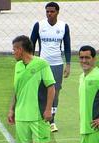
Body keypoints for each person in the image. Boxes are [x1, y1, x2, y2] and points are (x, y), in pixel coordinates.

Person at [8, 35, 55, 143]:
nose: (13, 52)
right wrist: (11, 109)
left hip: (38, 115)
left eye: (14, 49)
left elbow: (51, 87)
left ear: (21, 50)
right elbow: (17, 89)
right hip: (21, 115)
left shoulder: (42, 64)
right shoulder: (18, 66)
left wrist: (48, 109)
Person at [30, 1, 71, 132]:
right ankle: (43, 118)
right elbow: (32, 44)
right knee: (41, 92)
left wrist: (68, 64)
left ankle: (52, 120)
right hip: (42, 64)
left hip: (57, 64)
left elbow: (67, 46)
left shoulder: (64, 26)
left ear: (57, 12)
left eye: (52, 11)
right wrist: (31, 62)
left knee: (55, 93)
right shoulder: (39, 25)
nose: (49, 14)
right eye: (47, 11)